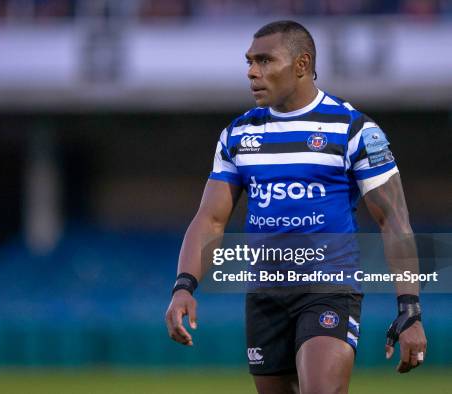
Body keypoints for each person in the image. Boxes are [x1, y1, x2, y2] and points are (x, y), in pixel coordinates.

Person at [164, 20, 427, 394]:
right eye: (250, 61)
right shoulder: (238, 135)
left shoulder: (353, 130)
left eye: (265, 60)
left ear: (302, 64)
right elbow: (210, 219)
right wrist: (183, 287)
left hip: (328, 290)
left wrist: (410, 308)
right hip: (265, 295)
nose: (252, 71)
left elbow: (394, 221)